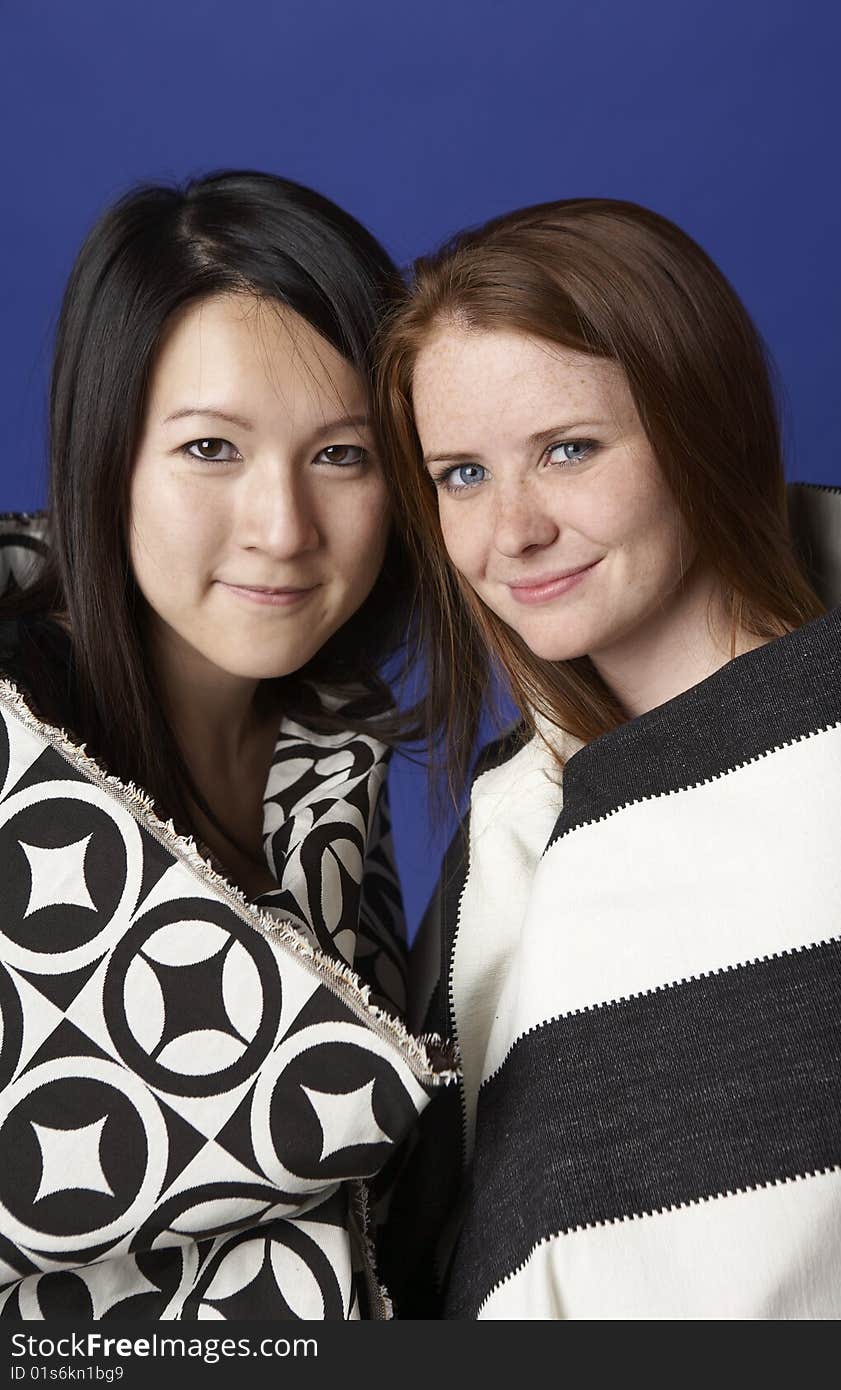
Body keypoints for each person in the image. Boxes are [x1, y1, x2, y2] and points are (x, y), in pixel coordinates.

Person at [376, 199, 841, 1319]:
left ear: (706, 426)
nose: (512, 530)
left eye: (568, 449)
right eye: (461, 473)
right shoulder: (516, 826)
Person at [0, 171, 453, 1321]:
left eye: (342, 455)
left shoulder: (331, 753)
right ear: (108, 454)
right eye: (211, 448)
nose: (284, 528)